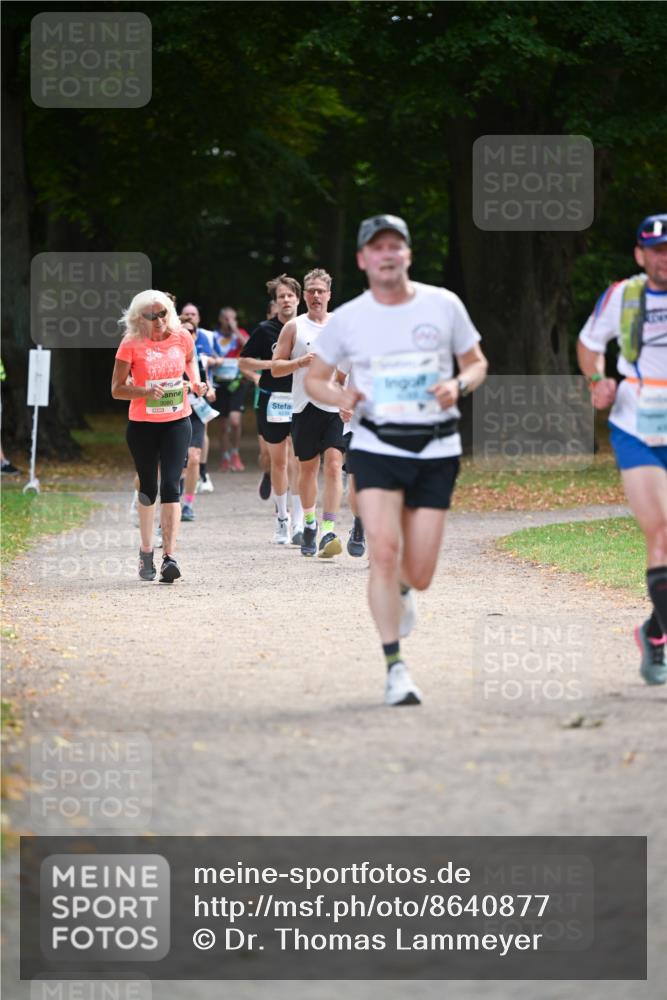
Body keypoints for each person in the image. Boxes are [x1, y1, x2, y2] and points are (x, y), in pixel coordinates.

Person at [306, 214, 488, 706]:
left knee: (420, 571)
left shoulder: (442, 304)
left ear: (407, 254)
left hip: (435, 447)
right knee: (383, 553)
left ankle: (406, 589)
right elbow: (316, 380)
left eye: (396, 246)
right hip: (377, 445)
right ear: (364, 259)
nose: (387, 254)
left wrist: (459, 385)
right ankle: (395, 668)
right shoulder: (348, 318)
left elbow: (476, 361)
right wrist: (343, 395)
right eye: (377, 247)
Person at [577, 213, 667, 685]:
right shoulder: (623, 295)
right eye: (656, 250)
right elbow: (588, 344)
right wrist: (597, 379)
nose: (664, 257)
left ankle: (654, 633)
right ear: (640, 255)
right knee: (662, 531)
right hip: (638, 424)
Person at [111, 290, 206, 582]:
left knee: (171, 484)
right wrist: (145, 391)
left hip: (177, 420)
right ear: (140, 318)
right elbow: (116, 389)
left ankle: (170, 557)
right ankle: (146, 550)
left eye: (162, 313)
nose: (158, 320)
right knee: (149, 486)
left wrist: (196, 381)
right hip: (142, 424)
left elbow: (190, 361)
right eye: (151, 315)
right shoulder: (131, 344)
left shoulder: (182, 337)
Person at [272, 268, 346, 558]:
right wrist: (300, 362)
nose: (316, 296)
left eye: (321, 291)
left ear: (329, 295)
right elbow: (276, 366)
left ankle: (328, 528)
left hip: (334, 406)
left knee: (334, 464)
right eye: (311, 291)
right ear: (304, 295)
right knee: (308, 469)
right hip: (303, 406)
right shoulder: (294, 327)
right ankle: (310, 523)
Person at [239, 275, 303, 544]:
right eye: (281, 297)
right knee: (278, 461)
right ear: (275, 303)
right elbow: (243, 361)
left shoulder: (309, 328)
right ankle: (282, 518)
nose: (286, 300)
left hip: (302, 399)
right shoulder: (265, 330)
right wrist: (273, 365)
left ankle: (301, 522)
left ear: (298, 299)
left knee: (300, 460)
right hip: (273, 399)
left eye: (290, 296)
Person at [179, 317, 218, 521]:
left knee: (194, 456)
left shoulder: (197, 359)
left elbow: (204, 381)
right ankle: (173, 497)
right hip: (174, 412)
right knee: (177, 462)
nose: (188, 335)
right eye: (183, 330)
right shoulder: (170, 356)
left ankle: (188, 504)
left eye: (191, 331)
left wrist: (208, 390)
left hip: (196, 413)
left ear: (195, 335)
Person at [209, 307, 249, 472]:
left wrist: (235, 330)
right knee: (224, 424)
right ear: (220, 319)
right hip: (220, 383)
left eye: (233, 319)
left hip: (237, 382)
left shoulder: (239, 334)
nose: (230, 322)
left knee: (235, 421)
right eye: (227, 319)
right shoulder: (213, 336)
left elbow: (248, 346)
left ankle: (235, 453)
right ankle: (224, 456)